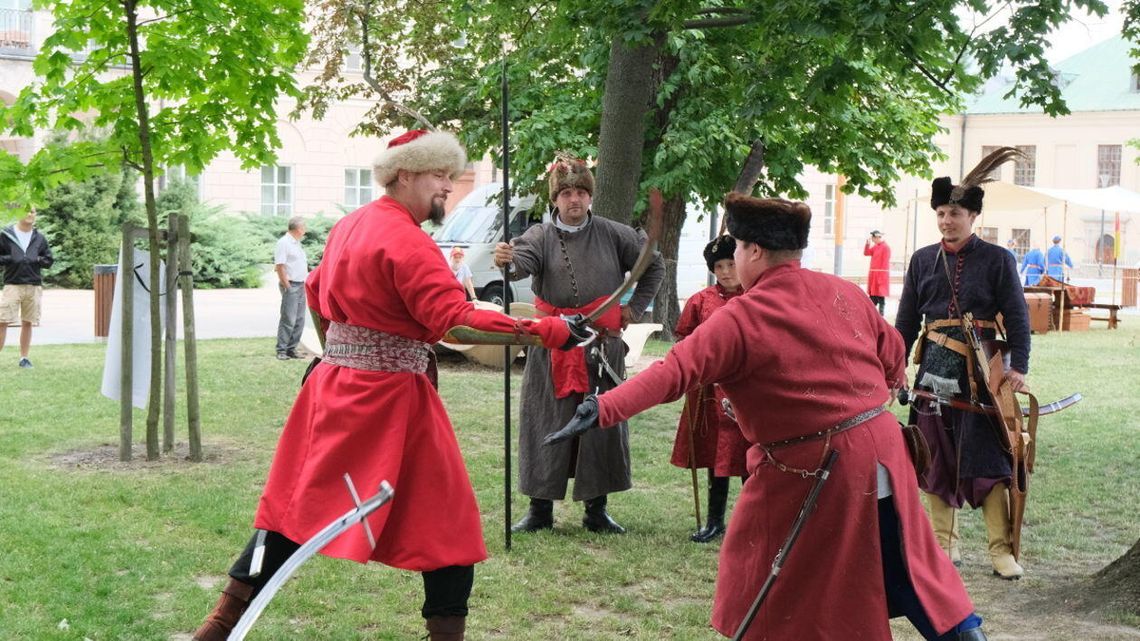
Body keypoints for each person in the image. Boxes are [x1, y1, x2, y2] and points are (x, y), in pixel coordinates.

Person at [191, 130, 582, 641]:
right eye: (438, 175)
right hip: (388, 401)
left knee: (293, 515)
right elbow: (455, 323)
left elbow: (315, 295)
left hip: (338, 390)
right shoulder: (405, 238)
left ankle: (217, 629)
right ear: (404, 174)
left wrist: (338, 352)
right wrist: (549, 331)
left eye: (449, 174)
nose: (447, 186)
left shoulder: (351, 225)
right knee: (447, 528)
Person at [545, 192, 988, 640]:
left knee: (764, 580)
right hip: (883, 451)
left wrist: (602, 406)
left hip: (818, 468)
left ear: (754, 251)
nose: (734, 257)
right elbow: (891, 348)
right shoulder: (844, 290)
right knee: (908, 565)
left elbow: (672, 371)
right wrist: (887, 381)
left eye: (736, 247)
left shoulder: (741, 316)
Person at [492, 155, 664, 535]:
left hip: (601, 347)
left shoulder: (613, 233)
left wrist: (633, 308)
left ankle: (596, 509)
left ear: (590, 197)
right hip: (551, 345)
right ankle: (540, 510)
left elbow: (653, 264)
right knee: (545, 421)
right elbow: (522, 261)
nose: (574, 200)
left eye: (581, 192)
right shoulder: (538, 235)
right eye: (566, 193)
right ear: (555, 198)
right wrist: (507, 260)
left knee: (600, 424)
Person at [894, 147, 1032, 581]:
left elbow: (1018, 315)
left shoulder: (998, 260)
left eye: (954, 212)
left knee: (991, 460)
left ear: (973, 216)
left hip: (985, 373)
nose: (946, 221)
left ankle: (1000, 552)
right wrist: (895, 364)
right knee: (933, 456)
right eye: (940, 213)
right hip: (933, 369)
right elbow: (904, 320)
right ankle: (943, 549)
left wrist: (1019, 367)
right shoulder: (920, 260)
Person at [669, 235, 747, 543]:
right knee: (717, 455)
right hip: (708, 392)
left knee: (749, 456)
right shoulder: (700, 301)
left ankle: (753, 520)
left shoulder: (755, 296)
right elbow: (685, 343)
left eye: (731, 264)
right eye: (719, 266)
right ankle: (715, 521)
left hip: (744, 391)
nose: (726, 272)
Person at [0, 206, 53, 369]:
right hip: (12, 285)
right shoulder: (6, 235)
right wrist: (11, 258)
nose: (30, 214)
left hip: (33, 286)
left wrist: (37, 259)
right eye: (26, 210)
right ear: (18, 213)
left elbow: (49, 260)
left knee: (28, 322)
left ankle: (24, 358)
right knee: (2, 321)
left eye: (33, 211)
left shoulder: (39, 238)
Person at [274, 216, 308, 360]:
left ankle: (291, 349)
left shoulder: (296, 243)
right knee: (288, 318)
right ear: (298, 229)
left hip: (300, 285)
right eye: (304, 227)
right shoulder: (284, 243)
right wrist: (286, 285)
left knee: (299, 319)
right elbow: (279, 266)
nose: (305, 230)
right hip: (291, 285)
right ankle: (281, 350)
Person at [864, 229, 891, 315]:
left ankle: (881, 314)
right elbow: (866, 253)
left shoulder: (886, 247)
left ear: (876, 237)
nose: (872, 240)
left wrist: (880, 277)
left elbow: (885, 263)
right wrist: (867, 244)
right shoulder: (875, 247)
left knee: (880, 295)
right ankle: (871, 313)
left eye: (873, 238)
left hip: (880, 275)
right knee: (873, 295)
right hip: (874, 275)